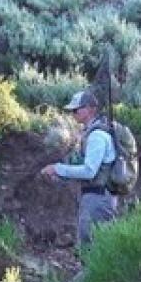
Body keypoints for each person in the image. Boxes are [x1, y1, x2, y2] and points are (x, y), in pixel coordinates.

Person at [39, 90, 118, 247]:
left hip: (98, 198)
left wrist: (58, 169)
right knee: (93, 244)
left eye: (76, 109)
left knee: (90, 245)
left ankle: (90, 272)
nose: (73, 113)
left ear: (90, 109)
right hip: (97, 197)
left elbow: (89, 171)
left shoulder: (97, 136)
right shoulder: (91, 133)